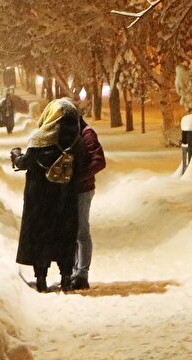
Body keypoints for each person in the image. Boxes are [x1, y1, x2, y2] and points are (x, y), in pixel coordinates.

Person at [11, 99, 85, 292]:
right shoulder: (76, 140)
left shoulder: (40, 138)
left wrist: (16, 156)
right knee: (64, 235)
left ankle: (41, 279)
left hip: (40, 198)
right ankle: (66, 277)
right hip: (65, 196)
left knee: (41, 235)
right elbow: (83, 164)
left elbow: (25, 162)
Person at [71, 118, 106, 290]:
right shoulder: (73, 133)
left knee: (81, 232)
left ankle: (82, 274)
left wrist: (79, 177)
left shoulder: (87, 134)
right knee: (72, 231)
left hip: (83, 189)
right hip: (72, 189)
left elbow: (99, 161)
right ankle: (73, 271)